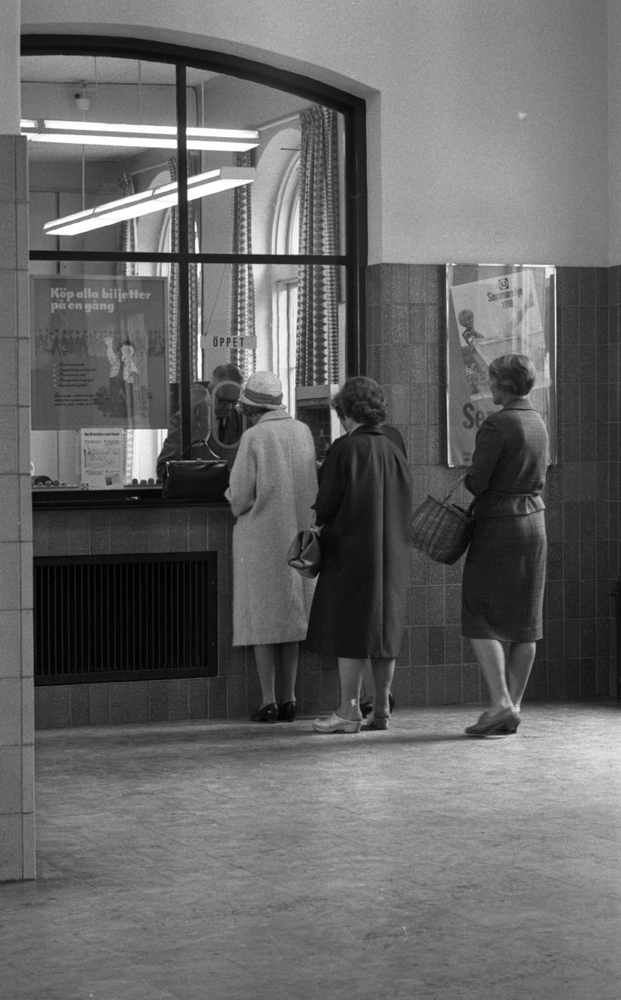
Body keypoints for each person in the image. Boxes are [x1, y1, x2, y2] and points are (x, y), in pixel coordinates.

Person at [306, 376, 413, 733]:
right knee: (384, 630)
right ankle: (381, 707)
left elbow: (326, 504)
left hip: (351, 551)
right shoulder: (394, 444)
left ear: (347, 412)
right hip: (393, 551)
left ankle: (348, 711)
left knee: (349, 630)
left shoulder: (345, 448)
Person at [461, 353, 549, 736]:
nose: (489, 386)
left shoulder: (497, 424)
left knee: (478, 613)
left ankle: (500, 704)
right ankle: (513, 708)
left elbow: (477, 482)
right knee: (526, 622)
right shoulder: (538, 421)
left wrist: (471, 474)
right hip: (534, 523)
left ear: (505, 384)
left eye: (492, 379)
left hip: (499, 525)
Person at [226, 371, 318, 724]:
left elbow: (240, 497)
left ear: (249, 409)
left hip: (262, 538)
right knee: (292, 619)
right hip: (300, 538)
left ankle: (268, 701)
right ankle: (290, 698)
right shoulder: (302, 431)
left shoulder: (254, 437)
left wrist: (229, 494)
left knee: (262, 620)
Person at [156, 365, 243, 481]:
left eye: (234, 402)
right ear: (210, 390)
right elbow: (164, 469)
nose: (229, 407)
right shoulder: (185, 420)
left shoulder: (243, 420)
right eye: (223, 401)